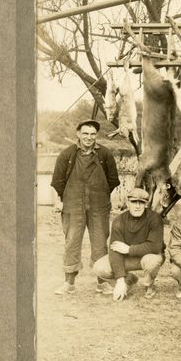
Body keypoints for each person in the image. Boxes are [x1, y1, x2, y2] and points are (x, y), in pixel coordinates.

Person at [51, 119, 120, 295]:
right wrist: (62, 200)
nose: (89, 137)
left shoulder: (105, 154)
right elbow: (57, 182)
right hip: (73, 206)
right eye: (85, 133)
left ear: (96, 135)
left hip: (99, 206)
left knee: (100, 243)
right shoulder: (67, 155)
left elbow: (112, 180)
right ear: (78, 134)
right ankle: (69, 283)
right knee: (72, 242)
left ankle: (102, 282)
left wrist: (100, 195)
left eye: (92, 134)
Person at [92, 188, 165, 301]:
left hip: (148, 256)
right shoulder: (119, 220)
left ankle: (149, 286)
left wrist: (129, 249)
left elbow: (155, 247)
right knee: (99, 267)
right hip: (128, 258)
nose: (137, 206)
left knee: (152, 262)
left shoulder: (155, 218)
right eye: (134, 202)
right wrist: (120, 279)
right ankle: (128, 279)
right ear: (127, 203)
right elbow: (114, 250)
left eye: (141, 203)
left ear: (146, 204)